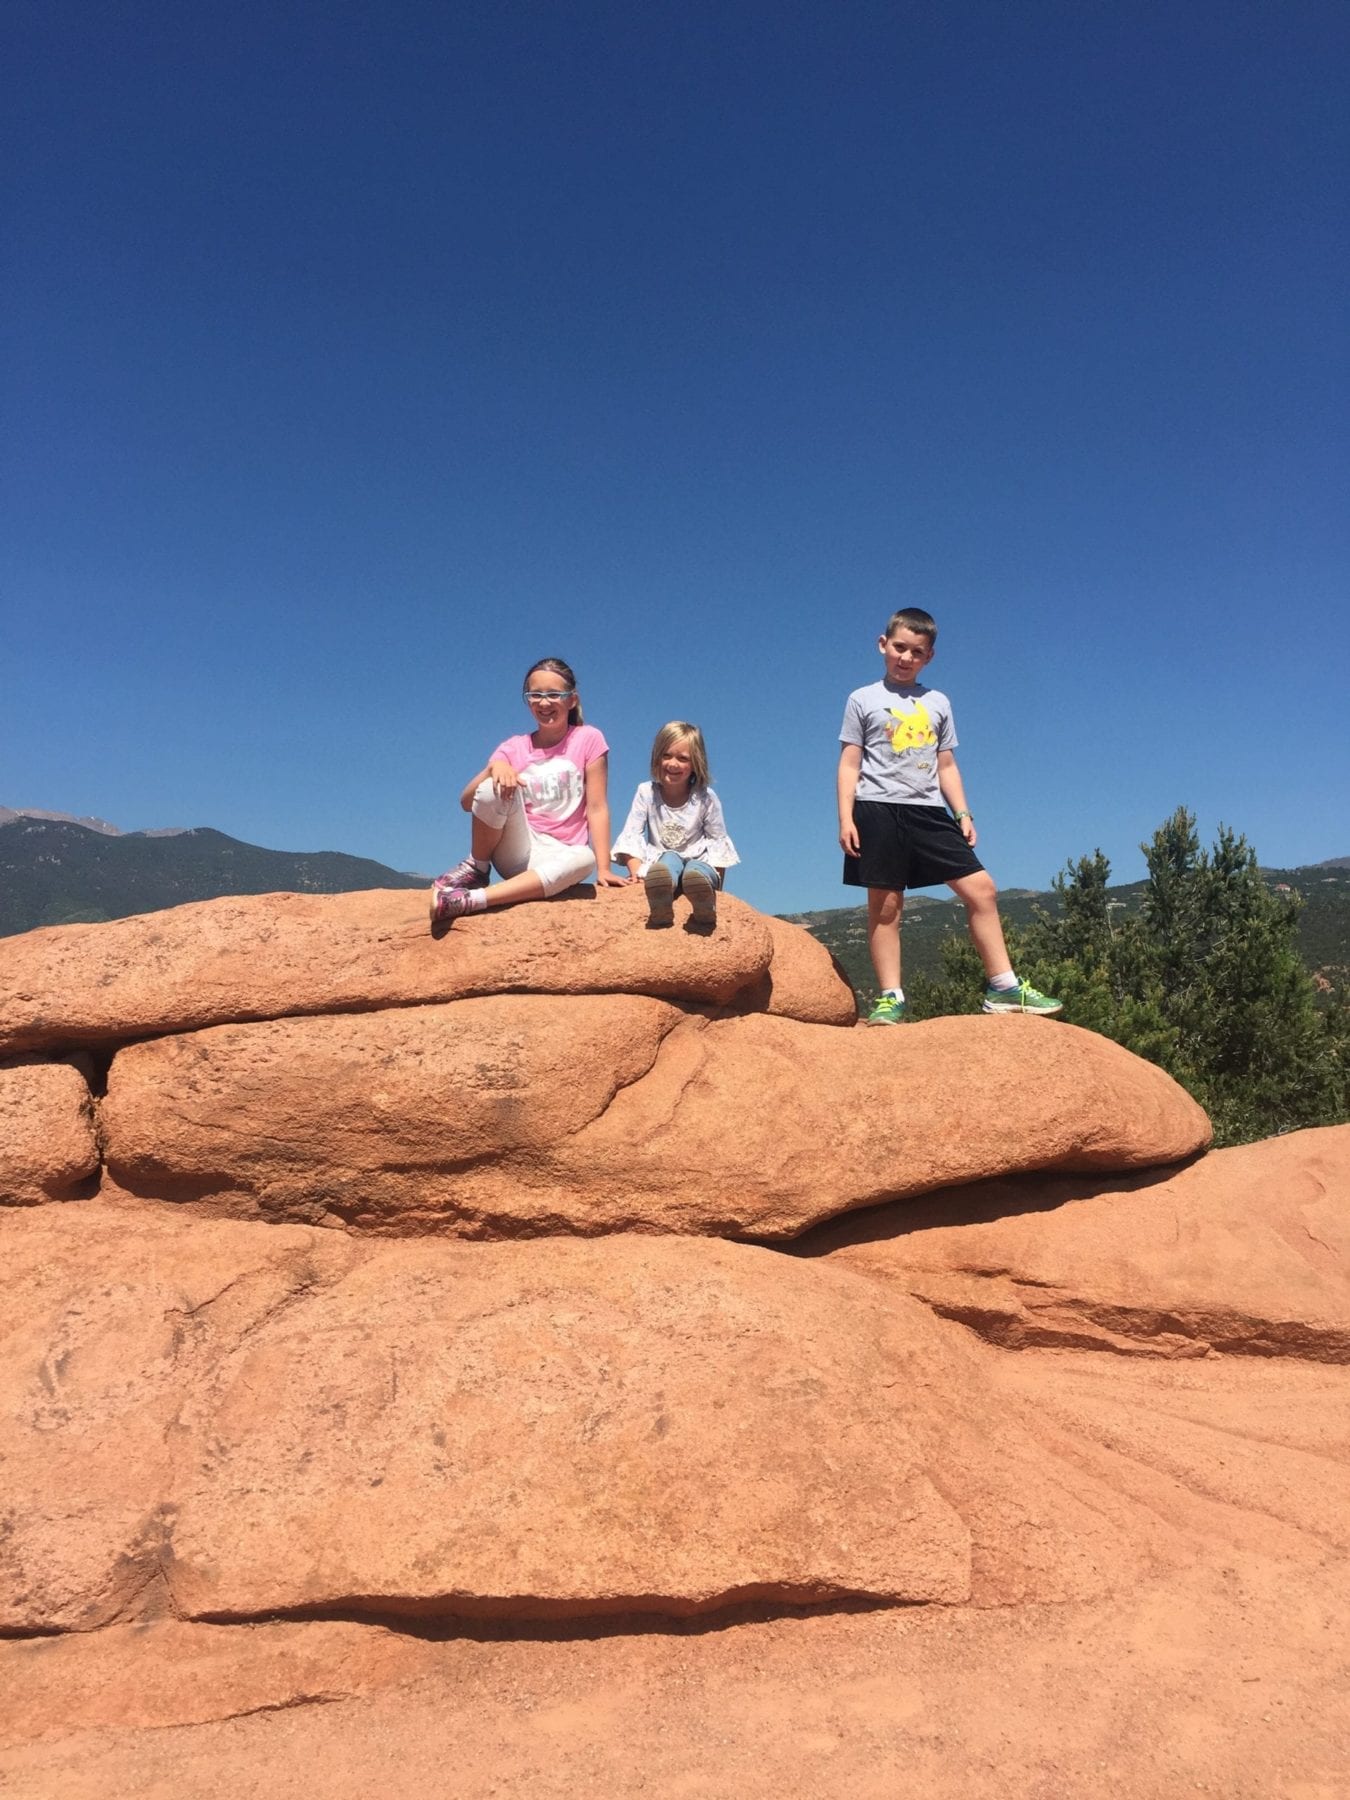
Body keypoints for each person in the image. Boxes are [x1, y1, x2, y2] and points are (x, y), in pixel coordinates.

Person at [837, 608, 1062, 1024]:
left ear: (929, 657)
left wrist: (962, 812)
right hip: (876, 810)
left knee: (982, 890)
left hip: (929, 812)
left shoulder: (938, 701)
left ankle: (1004, 986)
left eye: (916, 652)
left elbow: (946, 765)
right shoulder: (862, 699)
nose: (906, 657)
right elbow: (850, 762)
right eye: (900, 647)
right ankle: (890, 997)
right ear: (882, 644)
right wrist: (846, 818)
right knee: (886, 909)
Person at [430, 656, 626, 926]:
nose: (544, 703)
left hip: (561, 855)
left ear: (572, 700)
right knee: (491, 788)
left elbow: (597, 806)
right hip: (517, 851)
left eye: (554, 694)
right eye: (535, 695)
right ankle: (477, 868)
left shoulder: (588, 738)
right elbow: (467, 802)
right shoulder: (513, 747)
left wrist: (604, 868)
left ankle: (470, 900)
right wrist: (493, 769)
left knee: (585, 858)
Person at [613, 721, 739, 926]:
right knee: (669, 859)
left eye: (683, 758)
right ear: (657, 756)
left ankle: (702, 898)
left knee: (696, 870)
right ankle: (661, 895)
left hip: (699, 864)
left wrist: (718, 893)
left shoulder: (706, 798)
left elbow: (718, 845)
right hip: (663, 864)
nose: (673, 764)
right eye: (667, 755)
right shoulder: (647, 793)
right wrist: (637, 873)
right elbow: (631, 834)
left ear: (696, 763)